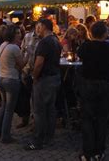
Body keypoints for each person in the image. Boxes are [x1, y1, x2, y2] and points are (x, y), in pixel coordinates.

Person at [77, 21, 109, 160]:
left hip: (88, 84)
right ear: (105, 33)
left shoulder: (85, 46)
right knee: (102, 118)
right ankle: (99, 151)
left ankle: (88, 152)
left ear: (90, 32)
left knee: (87, 119)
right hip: (105, 85)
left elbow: (79, 56)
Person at [25, 18, 61, 151]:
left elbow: (39, 63)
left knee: (39, 111)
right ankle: (49, 138)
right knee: (50, 110)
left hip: (44, 80)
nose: (37, 30)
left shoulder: (44, 42)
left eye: (38, 27)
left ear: (44, 26)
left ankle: (38, 140)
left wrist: (34, 76)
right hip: (55, 78)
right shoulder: (56, 40)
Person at [0, 25, 27, 144]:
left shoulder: (3, 45)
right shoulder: (14, 48)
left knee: (4, 106)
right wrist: (27, 56)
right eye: (17, 33)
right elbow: (22, 64)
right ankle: (5, 136)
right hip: (11, 80)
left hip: (2, 78)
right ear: (12, 35)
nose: (19, 34)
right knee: (9, 110)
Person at [17, 22, 39, 128]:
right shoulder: (27, 36)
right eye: (38, 27)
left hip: (37, 71)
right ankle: (24, 119)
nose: (39, 29)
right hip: (26, 70)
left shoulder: (44, 39)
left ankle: (35, 122)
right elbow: (22, 50)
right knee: (25, 97)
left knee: (35, 98)